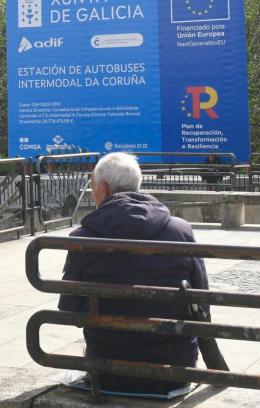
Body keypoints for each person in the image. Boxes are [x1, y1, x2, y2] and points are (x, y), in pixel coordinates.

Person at [59, 152, 209, 394]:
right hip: (175, 371)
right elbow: (203, 303)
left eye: (93, 187)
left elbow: (70, 310)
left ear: (104, 189)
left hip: (107, 372)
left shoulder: (82, 239)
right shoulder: (180, 231)